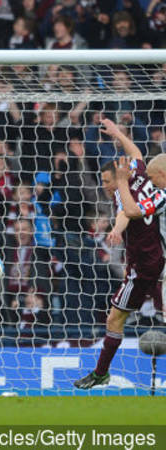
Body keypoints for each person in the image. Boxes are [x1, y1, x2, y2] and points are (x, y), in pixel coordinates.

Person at [74, 119, 163, 389]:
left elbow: (131, 210)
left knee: (115, 318)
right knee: (116, 317)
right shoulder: (139, 174)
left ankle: (101, 373)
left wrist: (122, 183)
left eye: (106, 181)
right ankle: (101, 372)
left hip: (146, 267)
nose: (105, 185)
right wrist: (117, 134)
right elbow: (136, 153)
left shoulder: (157, 193)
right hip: (149, 263)